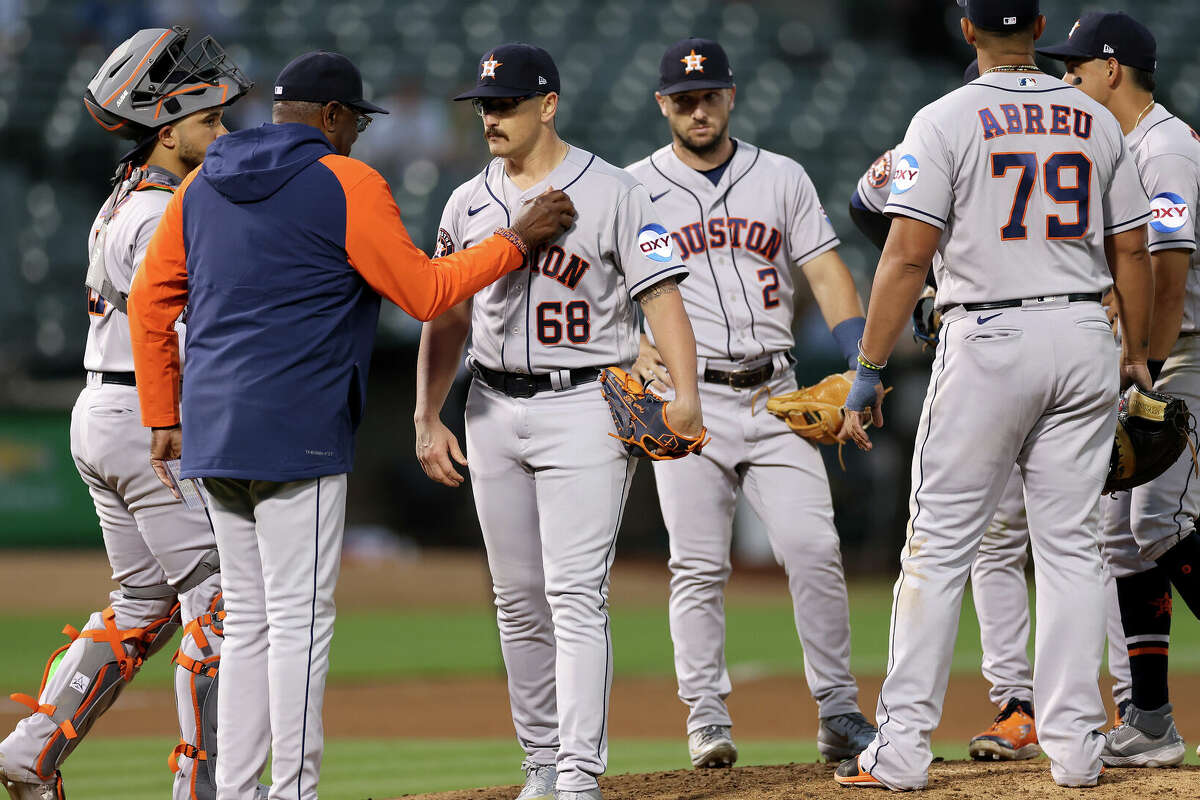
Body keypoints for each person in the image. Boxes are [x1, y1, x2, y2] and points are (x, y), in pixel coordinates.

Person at [127, 49, 575, 800]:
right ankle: (293, 793)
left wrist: (162, 413)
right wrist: (514, 241)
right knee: (299, 625)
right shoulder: (345, 181)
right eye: (355, 122)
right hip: (296, 429)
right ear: (332, 116)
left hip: (212, 432)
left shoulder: (202, 183)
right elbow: (426, 293)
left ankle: (235, 792)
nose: (359, 135)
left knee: (247, 628)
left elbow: (149, 304)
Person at [833, 0, 1153, 789]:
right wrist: (1136, 353)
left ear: (967, 28)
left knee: (939, 547)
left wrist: (868, 368)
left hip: (989, 337)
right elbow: (1134, 247)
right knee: (1073, 551)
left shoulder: (942, 118)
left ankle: (902, 748)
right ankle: (1077, 749)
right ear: (1042, 29)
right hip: (1084, 334)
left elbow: (907, 256)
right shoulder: (1096, 119)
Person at [414, 43, 703, 800]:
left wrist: (687, 394)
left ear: (548, 104)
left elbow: (662, 296)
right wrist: (425, 413)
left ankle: (577, 773)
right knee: (515, 599)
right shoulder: (465, 202)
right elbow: (444, 314)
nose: (491, 118)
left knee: (575, 592)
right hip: (489, 405)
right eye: (484, 106)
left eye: (506, 103)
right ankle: (540, 763)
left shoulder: (613, 190)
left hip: (585, 401)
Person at [0, 26, 252, 800]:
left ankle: (28, 750)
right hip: (146, 419)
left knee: (145, 602)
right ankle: (202, 789)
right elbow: (178, 325)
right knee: (220, 602)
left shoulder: (134, 195)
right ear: (167, 129)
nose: (223, 131)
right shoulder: (154, 214)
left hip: (107, 409)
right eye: (208, 121)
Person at [624, 37, 876, 768]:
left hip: (776, 393)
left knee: (816, 549)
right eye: (683, 98)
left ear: (730, 97)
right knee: (697, 566)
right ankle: (706, 719)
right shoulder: (633, 188)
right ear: (662, 105)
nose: (697, 108)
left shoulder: (783, 178)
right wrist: (622, 344)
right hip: (683, 396)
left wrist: (865, 359)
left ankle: (837, 712)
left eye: (709, 95)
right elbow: (600, 286)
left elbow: (827, 274)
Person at [1040, 10, 1200, 767]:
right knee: (1122, 538)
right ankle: (1151, 721)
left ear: (1112, 69)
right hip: (1149, 352)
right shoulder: (1120, 144)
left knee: (1161, 520)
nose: (1067, 79)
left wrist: (1149, 363)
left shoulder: (1163, 147)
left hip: (1186, 352)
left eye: (1075, 67)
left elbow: (1170, 271)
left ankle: (1152, 719)